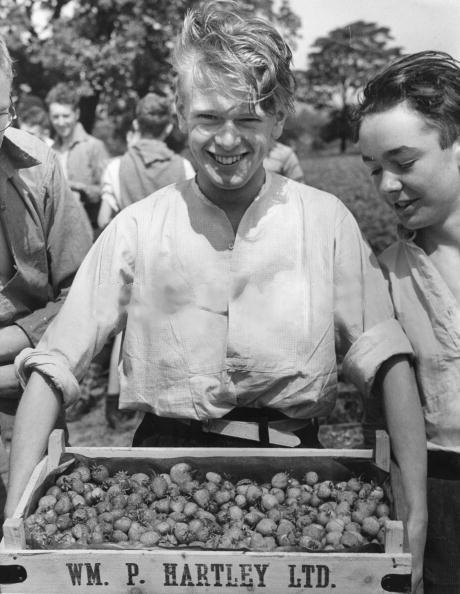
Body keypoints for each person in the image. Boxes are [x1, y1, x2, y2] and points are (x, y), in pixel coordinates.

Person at [6, 3, 426, 589]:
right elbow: (53, 367)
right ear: (181, 113)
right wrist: (15, 521)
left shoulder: (323, 221)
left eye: (249, 119)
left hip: (298, 483)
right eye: (207, 117)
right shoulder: (138, 228)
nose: (227, 139)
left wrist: (416, 507)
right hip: (156, 484)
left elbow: (387, 360)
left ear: (279, 119)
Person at [355, 50, 460, 594]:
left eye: (403, 161)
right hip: (441, 496)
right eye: (374, 169)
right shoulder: (387, 276)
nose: (387, 185)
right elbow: (390, 426)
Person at [0, 36, 93, 531]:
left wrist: (12, 344)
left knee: (32, 534)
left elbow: (80, 292)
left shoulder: (39, 168)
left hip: (28, 393)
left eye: (0, 113)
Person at [98, 92, 194, 427]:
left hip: (130, 260)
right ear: (169, 126)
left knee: (123, 330)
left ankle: (114, 402)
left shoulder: (115, 167)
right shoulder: (183, 166)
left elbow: (103, 220)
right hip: (169, 263)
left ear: (137, 124)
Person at [45, 83, 109, 230]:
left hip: (89, 230)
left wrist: (78, 188)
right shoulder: (49, 150)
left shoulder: (94, 146)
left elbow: (107, 192)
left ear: (77, 114)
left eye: (66, 116)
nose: (61, 122)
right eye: (56, 117)